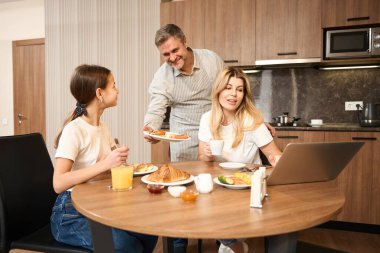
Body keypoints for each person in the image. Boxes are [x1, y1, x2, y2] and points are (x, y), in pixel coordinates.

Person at [51, 64, 158, 253]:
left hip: (97, 204)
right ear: (100, 93)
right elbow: (58, 183)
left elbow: (107, 169)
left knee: (148, 231)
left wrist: (118, 162)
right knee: (126, 245)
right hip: (70, 214)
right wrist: (105, 164)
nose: (117, 90)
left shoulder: (102, 127)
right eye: (113, 85)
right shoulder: (74, 130)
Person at [198, 66, 282, 253]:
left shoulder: (252, 121)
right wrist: (206, 154)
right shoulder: (207, 119)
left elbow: (274, 155)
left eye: (239, 89)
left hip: (247, 187)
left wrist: (277, 160)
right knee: (201, 208)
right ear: (219, 90)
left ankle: (231, 245)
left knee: (221, 216)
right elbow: (202, 157)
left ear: (244, 94)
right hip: (219, 186)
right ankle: (234, 245)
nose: (233, 94)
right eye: (228, 87)